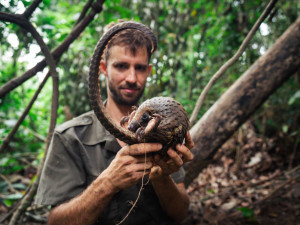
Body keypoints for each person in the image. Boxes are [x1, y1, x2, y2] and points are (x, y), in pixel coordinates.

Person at [35, 21, 194, 225]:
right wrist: (108, 183)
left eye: (140, 68)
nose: (131, 77)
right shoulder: (70, 137)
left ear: (149, 71)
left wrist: (161, 176)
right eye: (121, 66)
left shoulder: (163, 129)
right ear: (103, 68)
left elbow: (180, 214)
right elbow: (56, 222)